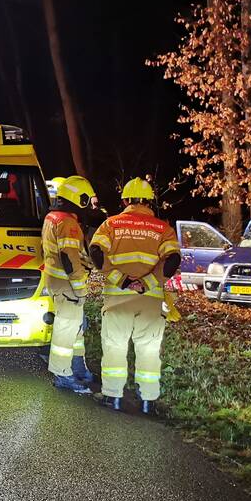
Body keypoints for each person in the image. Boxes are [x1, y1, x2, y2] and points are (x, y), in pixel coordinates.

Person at [88, 177, 181, 413]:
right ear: (150, 201)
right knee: (149, 351)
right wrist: (147, 282)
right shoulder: (163, 229)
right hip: (150, 300)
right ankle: (148, 401)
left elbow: (96, 252)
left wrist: (122, 280)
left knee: (115, 347)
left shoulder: (111, 225)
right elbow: (172, 260)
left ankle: (113, 396)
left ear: (125, 201)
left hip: (118, 298)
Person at [42, 175, 95, 394]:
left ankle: (77, 367)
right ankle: (62, 374)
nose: (89, 205)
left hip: (57, 282)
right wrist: (80, 289)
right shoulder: (68, 223)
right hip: (68, 285)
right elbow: (69, 257)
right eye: (87, 200)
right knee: (66, 330)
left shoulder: (53, 217)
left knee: (75, 328)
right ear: (79, 198)